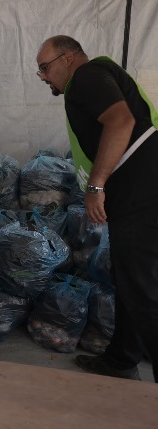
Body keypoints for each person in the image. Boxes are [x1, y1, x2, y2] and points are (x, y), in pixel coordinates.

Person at [36, 35, 158, 382]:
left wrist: (96, 185)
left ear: (68, 58)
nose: (44, 77)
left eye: (45, 67)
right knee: (133, 280)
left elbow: (120, 122)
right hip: (140, 190)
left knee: (143, 288)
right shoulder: (94, 77)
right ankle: (121, 359)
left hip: (141, 192)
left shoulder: (86, 76)